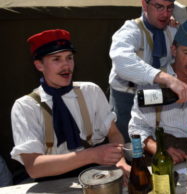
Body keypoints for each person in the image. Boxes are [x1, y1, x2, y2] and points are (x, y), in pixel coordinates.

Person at [10, 29, 130, 181]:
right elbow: (34, 167)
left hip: (94, 172)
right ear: (39, 65)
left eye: (69, 58)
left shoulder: (90, 91)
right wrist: (92, 155)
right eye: (56, 59)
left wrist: (120, 162)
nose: (66, 65)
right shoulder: (25, 107)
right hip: (49, 180)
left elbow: (113, 133)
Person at [109, 0, 187, 142]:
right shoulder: (131, 30)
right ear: (144, 5)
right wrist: (168, 79)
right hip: (127, 97)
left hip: (156, 96)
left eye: (169, 8)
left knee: (157, 143)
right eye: (159, 7)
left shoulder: (172, 30)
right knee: (131, 149)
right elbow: (122, 61)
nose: (165, 13)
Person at [129, 19, 187, 164]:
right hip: (159, 152)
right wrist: (159, 150)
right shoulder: (153, 82)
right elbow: (137, 128)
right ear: (174, 50)